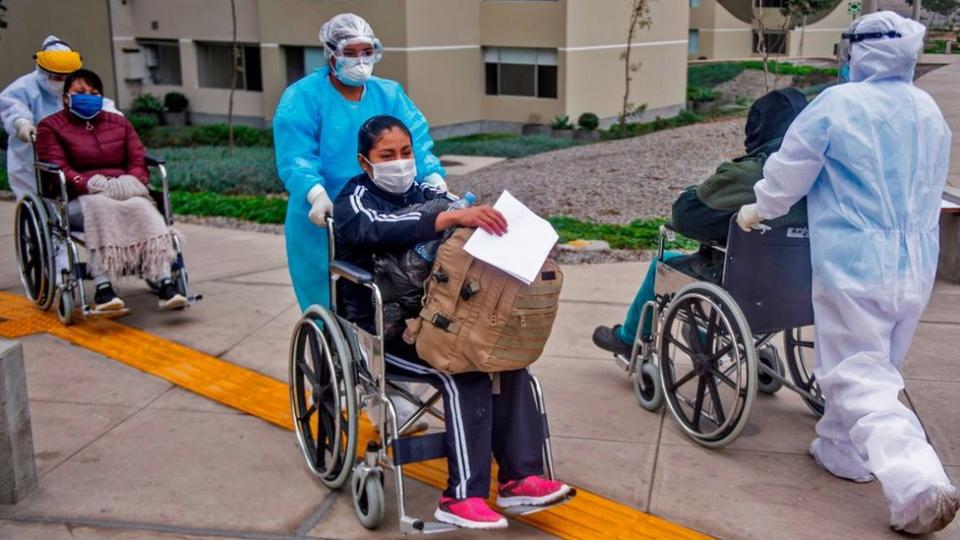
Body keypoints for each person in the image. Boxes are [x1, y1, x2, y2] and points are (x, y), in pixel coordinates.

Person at [736, 11, 957, 535]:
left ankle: (917, 481)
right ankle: (843, 453)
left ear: (857, 51)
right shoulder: (928, 110)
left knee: (856, 374)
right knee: (878, 367)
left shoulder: (838, 104)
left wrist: (759, 208)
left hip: (855, 262)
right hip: (916, 263)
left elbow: (791, 169)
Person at [333, 115, 570, 530]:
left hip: (440, 317)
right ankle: (461, 496)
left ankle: (518, 478)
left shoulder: (426, 190)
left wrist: (494, 224)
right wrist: (445, 220)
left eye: (406, 153)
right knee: (464, 373)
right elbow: (372, 229)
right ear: (365, 161)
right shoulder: (355, 199)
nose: (400, 162)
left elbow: (459, 215)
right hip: (381, 329)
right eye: (387, 155)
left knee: (508, 361)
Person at [591, 88, 809, 356]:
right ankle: (705, 335)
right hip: (800, 288)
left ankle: (629, 340)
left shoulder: (754, 174)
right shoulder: (825, 176)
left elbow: (686, 215)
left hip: (743, 287)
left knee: (666, 261)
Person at [273, 13, 446, 313]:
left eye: (367, 52)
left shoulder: (388, 93)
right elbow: (296, 155)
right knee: (328, 305)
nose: (360, 60)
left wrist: (433, 177)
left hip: (382, 212)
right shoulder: (302, 98)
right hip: (323, 219)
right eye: (350, 53)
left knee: (398, 292)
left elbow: (415, 140)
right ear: (331, 54)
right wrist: (315, 194)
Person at [34, 69, 186, 312]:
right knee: (101, 207)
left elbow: (137, 158)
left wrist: (133, 181)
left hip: (124, 190)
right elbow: (58, 165)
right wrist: (89, 183)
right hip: (78, 196)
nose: (88, 97)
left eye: (94, 93)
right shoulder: (50, 127)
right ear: (66, 97)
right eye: (80, 92)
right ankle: (104, 288)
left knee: (144, 208)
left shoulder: (119, 123)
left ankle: (166, 282)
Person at [1, 36, 118, 199]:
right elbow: (13, 106)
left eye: (66, 77)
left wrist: (117, 120)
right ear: (42, 71)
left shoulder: (79, 86)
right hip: (34, 161)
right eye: (56, 77)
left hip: (77, 155)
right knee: (43, 197)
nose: (61, 82)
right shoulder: (24, 87)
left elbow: (100, 104)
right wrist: (22, 123)